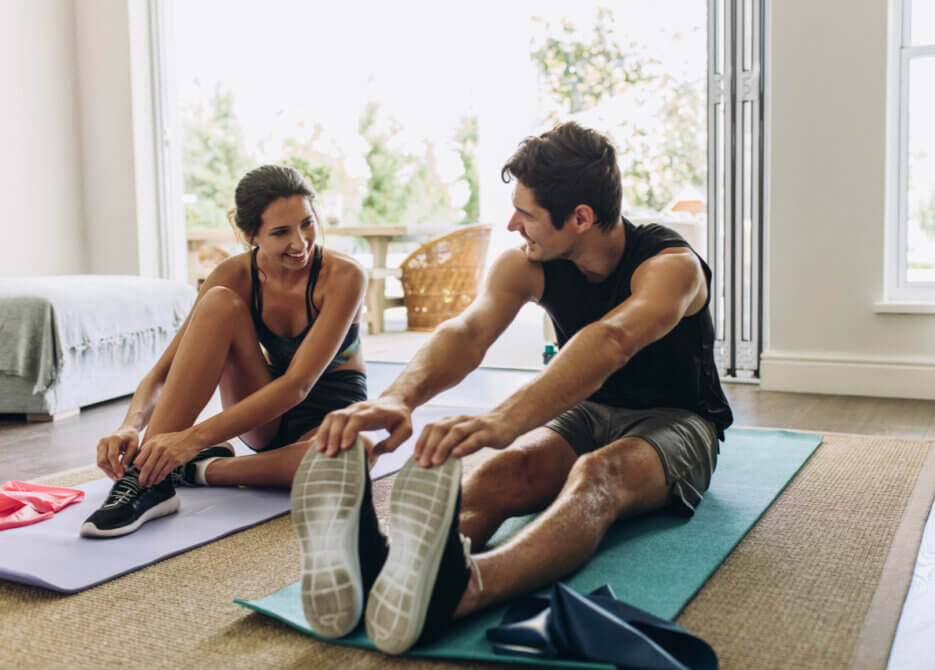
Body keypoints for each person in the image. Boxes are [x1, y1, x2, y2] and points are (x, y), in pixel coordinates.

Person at [290, 121, 734, 653]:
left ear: (581, 219)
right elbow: (468, 331)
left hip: (680, 420)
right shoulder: (531, 263)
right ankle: (383, 567)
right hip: (592, 409)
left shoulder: (672, 267)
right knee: (506, 470)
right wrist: (397, 397)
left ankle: (466, 588)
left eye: (526, 214)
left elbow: (614, 339)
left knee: (597, 475)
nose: (511, 223)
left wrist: (505, 418)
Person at [82, 165, 369, 538]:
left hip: (329, 415)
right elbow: (164, 370)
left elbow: (298, 385)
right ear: (250, 235)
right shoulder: (234, 275)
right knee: (218, 304)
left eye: (307, 223)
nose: (300, 243)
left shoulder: (345, 276)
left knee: (350, 457)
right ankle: (146, 480)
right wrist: (130, 425)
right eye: (281, 232)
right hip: (264, 411)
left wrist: (192, 442)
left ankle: (196, 470)